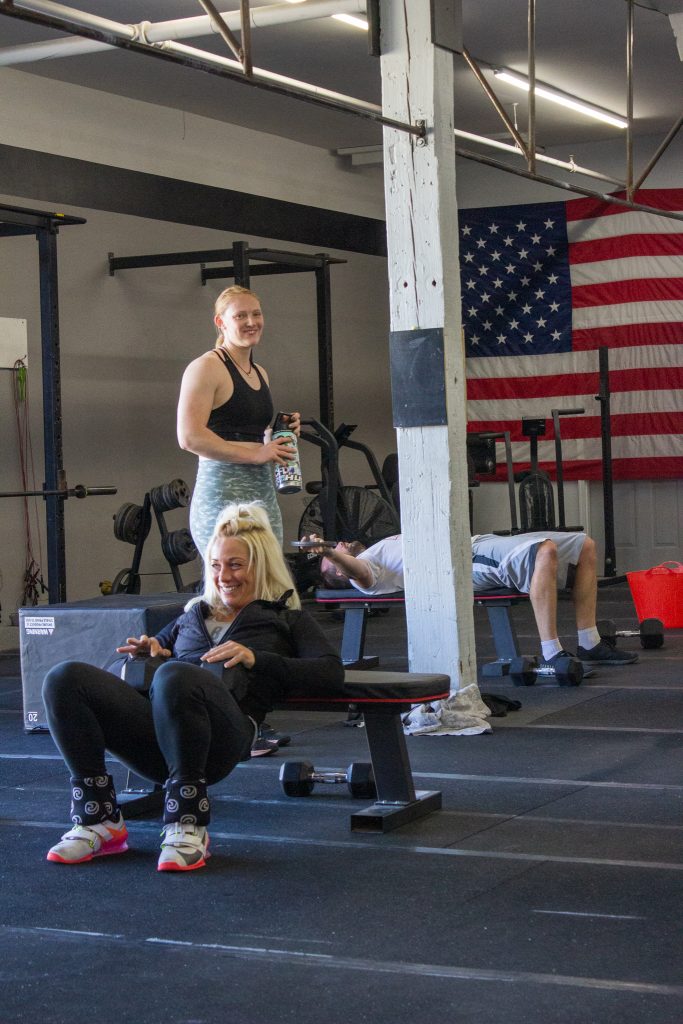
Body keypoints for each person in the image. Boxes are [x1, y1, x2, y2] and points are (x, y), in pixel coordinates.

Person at [42, 503, 344, 873]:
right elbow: (159, 652)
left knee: (176, 675)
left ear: (260, 566)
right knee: (64, 678)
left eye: (235, 565)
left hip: (221, 741)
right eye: (216, 565)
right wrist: (151, 648)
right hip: (158, 742)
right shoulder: (192, 616)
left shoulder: (286, 618)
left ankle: (187, 824)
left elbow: (331, 673)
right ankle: (99, 821)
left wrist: (255, 658)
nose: (223, 576)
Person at [313, 531, 638, 668]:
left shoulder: (374, 550)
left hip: (475, 541)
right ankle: (552, 654)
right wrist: (328, 553)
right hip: (463, 561)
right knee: (546, 551)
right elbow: (356, 571)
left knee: (584, 545)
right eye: (334, 557)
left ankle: (590, 642)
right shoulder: (366, 573)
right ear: (340, 574)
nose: (338, 544)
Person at [177, 285, 300, 551]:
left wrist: (279, 434)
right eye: (240, 316)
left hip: (261, 494)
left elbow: (250, 435)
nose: (251, 322)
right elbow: (189, 437)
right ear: (220, 322)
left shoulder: (260, 373)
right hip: (222, 495)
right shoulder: (206, 367)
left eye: (256, 314)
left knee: (269, 583)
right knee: (228, 582)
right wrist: (255, 455)